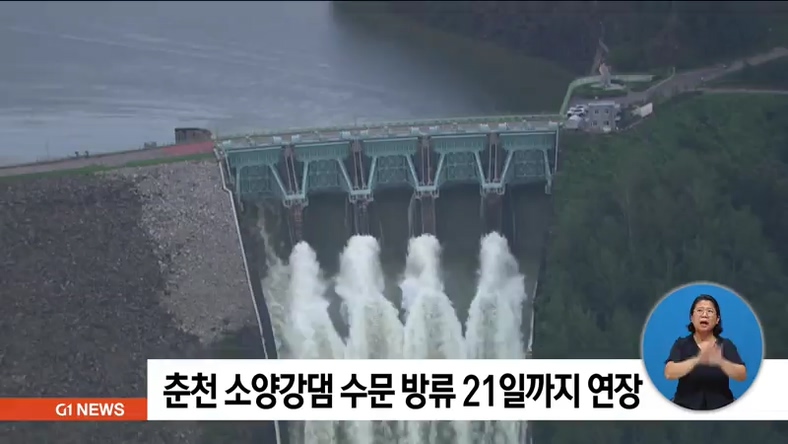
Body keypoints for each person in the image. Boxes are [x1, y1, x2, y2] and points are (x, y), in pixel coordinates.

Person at [663, 294, 747, 410]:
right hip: (685, 407)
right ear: (691, 317)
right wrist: (697, 359)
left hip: (721, 407)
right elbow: (669, 373)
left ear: (717, 319)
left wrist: (720, 362)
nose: (704, 315)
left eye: (710, 311)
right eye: (699, 310)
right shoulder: (681, 344)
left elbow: (742, 375)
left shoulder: (726, 344)